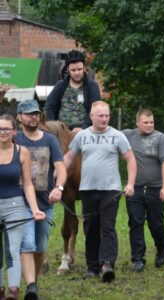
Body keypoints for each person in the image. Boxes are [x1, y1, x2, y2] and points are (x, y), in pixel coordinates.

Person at [64, 101, 136, 282]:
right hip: (88, 189)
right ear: (91, 116)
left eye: (107, 115)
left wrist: (131, 183)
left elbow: (130, 160)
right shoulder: (82, 137)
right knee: (91, 227)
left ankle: (108, 264)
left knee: (108, 227)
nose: (104, 119)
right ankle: (92, 267)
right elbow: (68, 158)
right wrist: (57, 178)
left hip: (110, 189)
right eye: (101, 116)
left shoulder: (117, 136)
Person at [15, 100, 67, 300]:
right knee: (26, 243)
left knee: (40, 246)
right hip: (19, 202)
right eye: (28, 114)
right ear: (20, 117)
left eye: (36, 113)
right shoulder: (14, 139)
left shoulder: (50, 140)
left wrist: (59, 188)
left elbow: (61, 168)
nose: (33, 117)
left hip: (46, 203)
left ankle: (33, 281)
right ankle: (30, 285)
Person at [0, 114, 45, 300]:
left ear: (14, 132)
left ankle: (13, 291)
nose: (2, 132)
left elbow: (27, 184)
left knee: (12, 250)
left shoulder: (22, 152)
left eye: (6, 129)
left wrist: (35, 209)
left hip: (14, 205)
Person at [123, 108, 164, 272]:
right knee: (135, 222)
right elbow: (107, 134)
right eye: (145, 122)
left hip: (155, 189)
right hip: (134, 188)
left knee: (155, 224)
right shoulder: (128, 135)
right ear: (137, 123)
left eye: (151, 122)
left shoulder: (160, 138)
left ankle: (162, 245)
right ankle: (138, 258)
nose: (149, 125)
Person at [45, 49, 101, 134]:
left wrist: (83, 128)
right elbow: (50, 106)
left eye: (79, 69)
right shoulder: (60, 85)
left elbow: (95, 109)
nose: (77, 73)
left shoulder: (92, 86)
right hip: (61, 132)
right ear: (68, 70)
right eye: (73, 70)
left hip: (86, 131)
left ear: (84, 68)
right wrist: (53, 127)